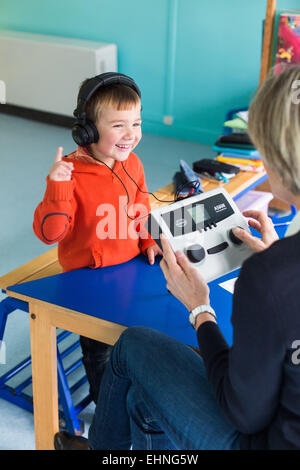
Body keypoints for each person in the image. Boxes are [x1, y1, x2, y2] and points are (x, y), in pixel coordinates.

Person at [54, 64, 300, 450]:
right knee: (140, 400)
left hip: (264, 439)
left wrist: (200, 309)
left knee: (133, 346)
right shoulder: (72, 171)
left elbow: (246, 411)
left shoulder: (270, 277)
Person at [33, 73, 161, 403]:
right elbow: (51, 234)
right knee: (99, 354)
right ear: (87, 129)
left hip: (128, 272)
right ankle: (106, 408)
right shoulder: (71, 173)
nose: (131, 135)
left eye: (137, 123)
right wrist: (57, 187)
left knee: (136, 336)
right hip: (87, 280)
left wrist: (147, 240)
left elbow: (140, 207)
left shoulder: (132, 163)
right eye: (119, 125)